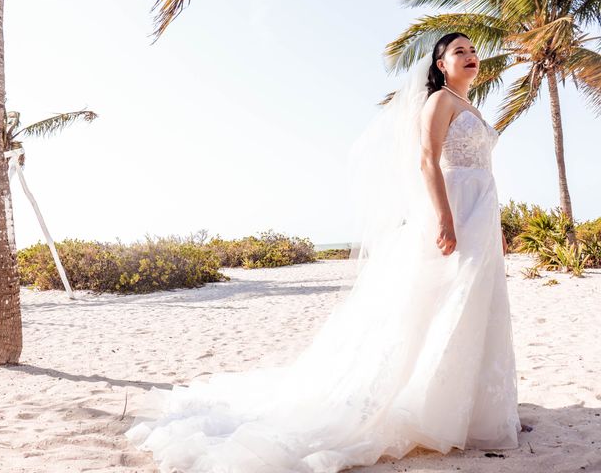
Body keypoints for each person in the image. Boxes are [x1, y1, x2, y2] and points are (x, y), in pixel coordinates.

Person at [123, 32, 522, 473]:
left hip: (481, 215)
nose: (470, 56)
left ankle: (469, 412)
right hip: (455, 212)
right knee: (437, 307)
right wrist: (445, 219)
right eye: (458, 52)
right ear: (441, 64)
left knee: (475, 306)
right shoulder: (439, 102)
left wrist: (495, 227)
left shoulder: (473, 109)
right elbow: (428, 162)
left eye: (472, 50)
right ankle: (419, 407)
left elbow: (483, 172)